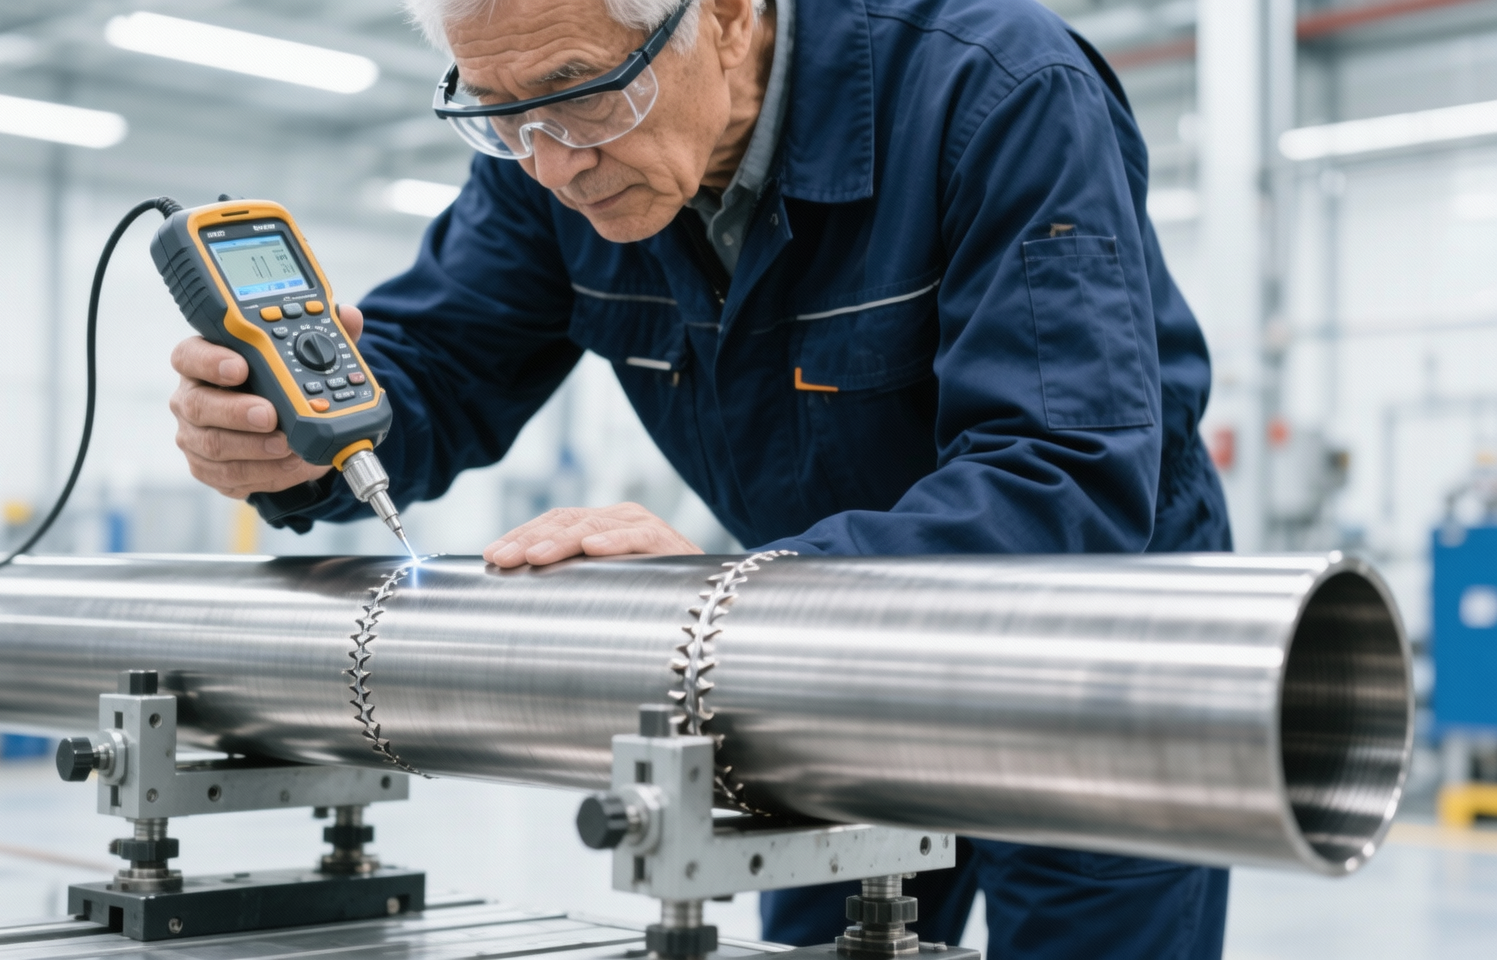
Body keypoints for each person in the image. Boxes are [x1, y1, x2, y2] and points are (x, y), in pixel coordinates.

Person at [166, 0, 1232, 956]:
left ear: (723, 18)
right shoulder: (545, 143)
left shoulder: (997, 89)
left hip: (1089, 666)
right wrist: (286, 440)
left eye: (578, 96)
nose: (552, 163)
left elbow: (1062, 483)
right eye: (494, 112)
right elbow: (437, 368)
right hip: (815, 665)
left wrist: (734, 594)